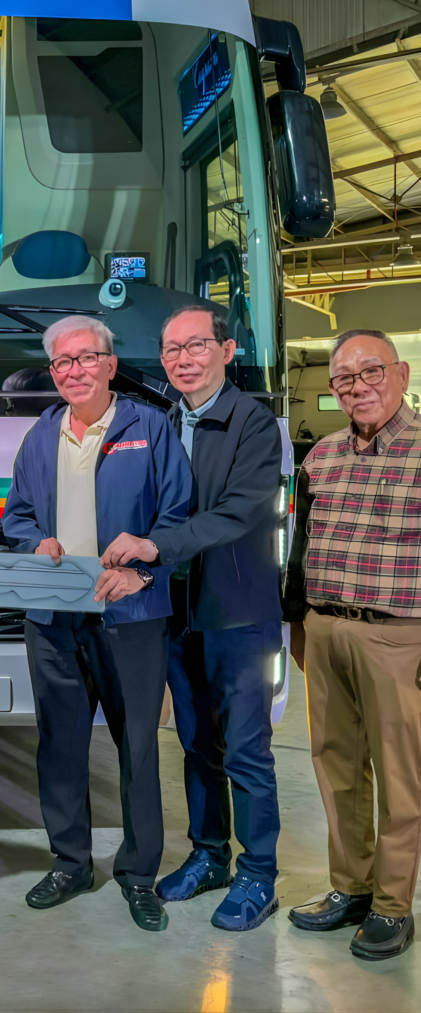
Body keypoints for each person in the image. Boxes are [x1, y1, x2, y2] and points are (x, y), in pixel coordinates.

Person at [1, 315, 191, 932]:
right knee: (59, 745)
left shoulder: (150, 427)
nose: (74, 371)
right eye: (61, 362)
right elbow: (18, 514)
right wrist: (36, 544)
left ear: (110, 365)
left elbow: (179, 518)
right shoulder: (41, 435)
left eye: (86, 359)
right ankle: (71, 862)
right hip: (55, 619)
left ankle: (139, 875)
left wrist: (144, 573)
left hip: (131, 615)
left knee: (136, 745)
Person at [100, 305, 284, 931]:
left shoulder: (253, 423)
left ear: (227, 351)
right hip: (174, 611)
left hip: (236, 612)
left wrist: (155, 549)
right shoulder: (158, 421)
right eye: (171, 348)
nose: (181, 358)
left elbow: (237, 512)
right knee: (196, 742)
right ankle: (210, 856)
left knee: (247, 751)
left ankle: (260, 874)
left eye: (196, 345)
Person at [284, 329, 421, 962]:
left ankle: (393, 905)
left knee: (401, 778)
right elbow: (300, 546)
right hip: (326, 626)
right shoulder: (323, 456)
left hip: (400, 635)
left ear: (402, 373)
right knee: (336, 765)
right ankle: (352, 888)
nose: (358, 386)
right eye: (344, 379)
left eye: (371, 372)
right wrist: (297, 620)